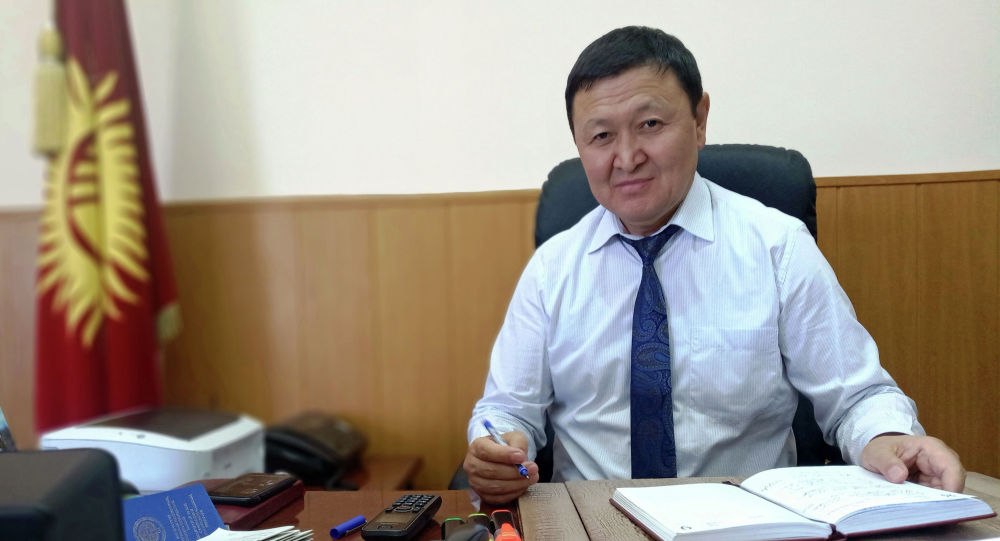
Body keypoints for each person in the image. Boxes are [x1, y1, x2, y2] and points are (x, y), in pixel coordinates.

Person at [463, 26, 965, 505]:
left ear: (700, 120)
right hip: (589, 519)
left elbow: (856, 396)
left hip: (747, 519)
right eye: (601, 136)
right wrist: (500, 448)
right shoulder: (552, 269)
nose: (627, 157)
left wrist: (886, 439)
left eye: (650, 125)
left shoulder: (777, 247)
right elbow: (507, 411)